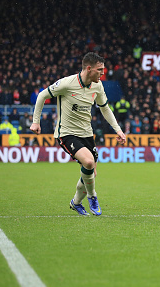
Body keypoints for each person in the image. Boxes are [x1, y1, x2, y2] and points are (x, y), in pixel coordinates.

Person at [30, 52, 126, 216]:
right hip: (67, 133)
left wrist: (118, 129)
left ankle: (75, 203)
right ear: (89, 69)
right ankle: (92, 196)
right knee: (88, 163)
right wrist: (35, 121)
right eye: (100, 70)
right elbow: (42, 95)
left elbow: (105, 108)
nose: (103, 73)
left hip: (87, 134)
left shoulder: (97, 85)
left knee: (91, 173)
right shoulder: (67, 83)